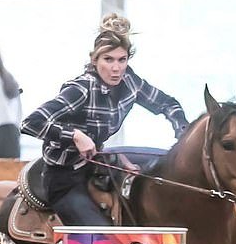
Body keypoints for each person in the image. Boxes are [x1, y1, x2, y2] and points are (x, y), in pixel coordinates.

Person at [20, 13, 190, 226]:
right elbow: (30, 123)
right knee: (100, 236)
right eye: (108, 59)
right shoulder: (81, 88)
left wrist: (183, 133)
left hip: (98, 166)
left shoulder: (131, 82)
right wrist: (75, 136)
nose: (116, 68)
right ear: (95, 60)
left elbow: (168, 104)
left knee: (163, 172)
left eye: (122, 60)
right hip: (63, 177)